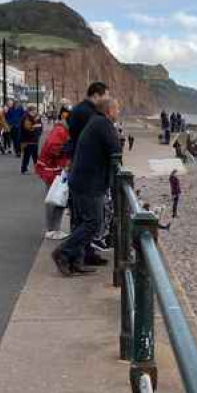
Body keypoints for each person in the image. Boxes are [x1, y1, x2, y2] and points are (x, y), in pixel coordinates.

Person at [52, 97, 122, 277]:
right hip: (89, 182)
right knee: (93, 223)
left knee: (84, 222)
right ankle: (63, 252)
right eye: (117, 109)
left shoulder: (96, 122)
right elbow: (115, 149)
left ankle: (76, 260)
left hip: (82, 179)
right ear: (109, 111)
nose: (118, 113)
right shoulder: (103, 124)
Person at [36, 105, 71, 239]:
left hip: (54, 169)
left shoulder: (60, 130)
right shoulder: (60, 131)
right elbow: (52, 147)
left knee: (57, 198)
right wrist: (66, 150)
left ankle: (54, 228)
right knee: (55, 199)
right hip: (53, 169)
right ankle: (52, 229)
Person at [65, 82, 108, 157]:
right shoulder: (90, 113)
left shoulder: (78, 108)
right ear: (96, 96)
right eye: (106, 96)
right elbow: (94, 139)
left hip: (77, 155)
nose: (108, 100)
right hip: (85, 158)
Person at [19, 104, 42, 174]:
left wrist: (38, 133)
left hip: (34, 139)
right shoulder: (26, 118)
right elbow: (27, 129)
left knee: (35, 155)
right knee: (27, 155)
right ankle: (24, 169)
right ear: (30, 111)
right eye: (34, 110)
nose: (35, 112)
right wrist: (35, 129)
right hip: (28, 140)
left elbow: (40, 126)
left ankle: (37, 169)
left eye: (35, 110)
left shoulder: (36, 117)